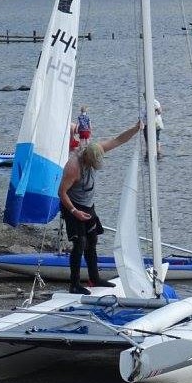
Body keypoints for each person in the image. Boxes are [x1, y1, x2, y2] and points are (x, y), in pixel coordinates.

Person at [58, 120, 144, 294]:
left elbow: (118, 140)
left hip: (88, 204)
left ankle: (94, 278)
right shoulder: (73, 167)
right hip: (72, 206)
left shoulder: (96, 149)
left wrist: (135, 129)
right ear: (87, 158)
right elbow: (61, 192)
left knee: (93, 240)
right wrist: (74, 212)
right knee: (80, 242)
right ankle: (74, 284)